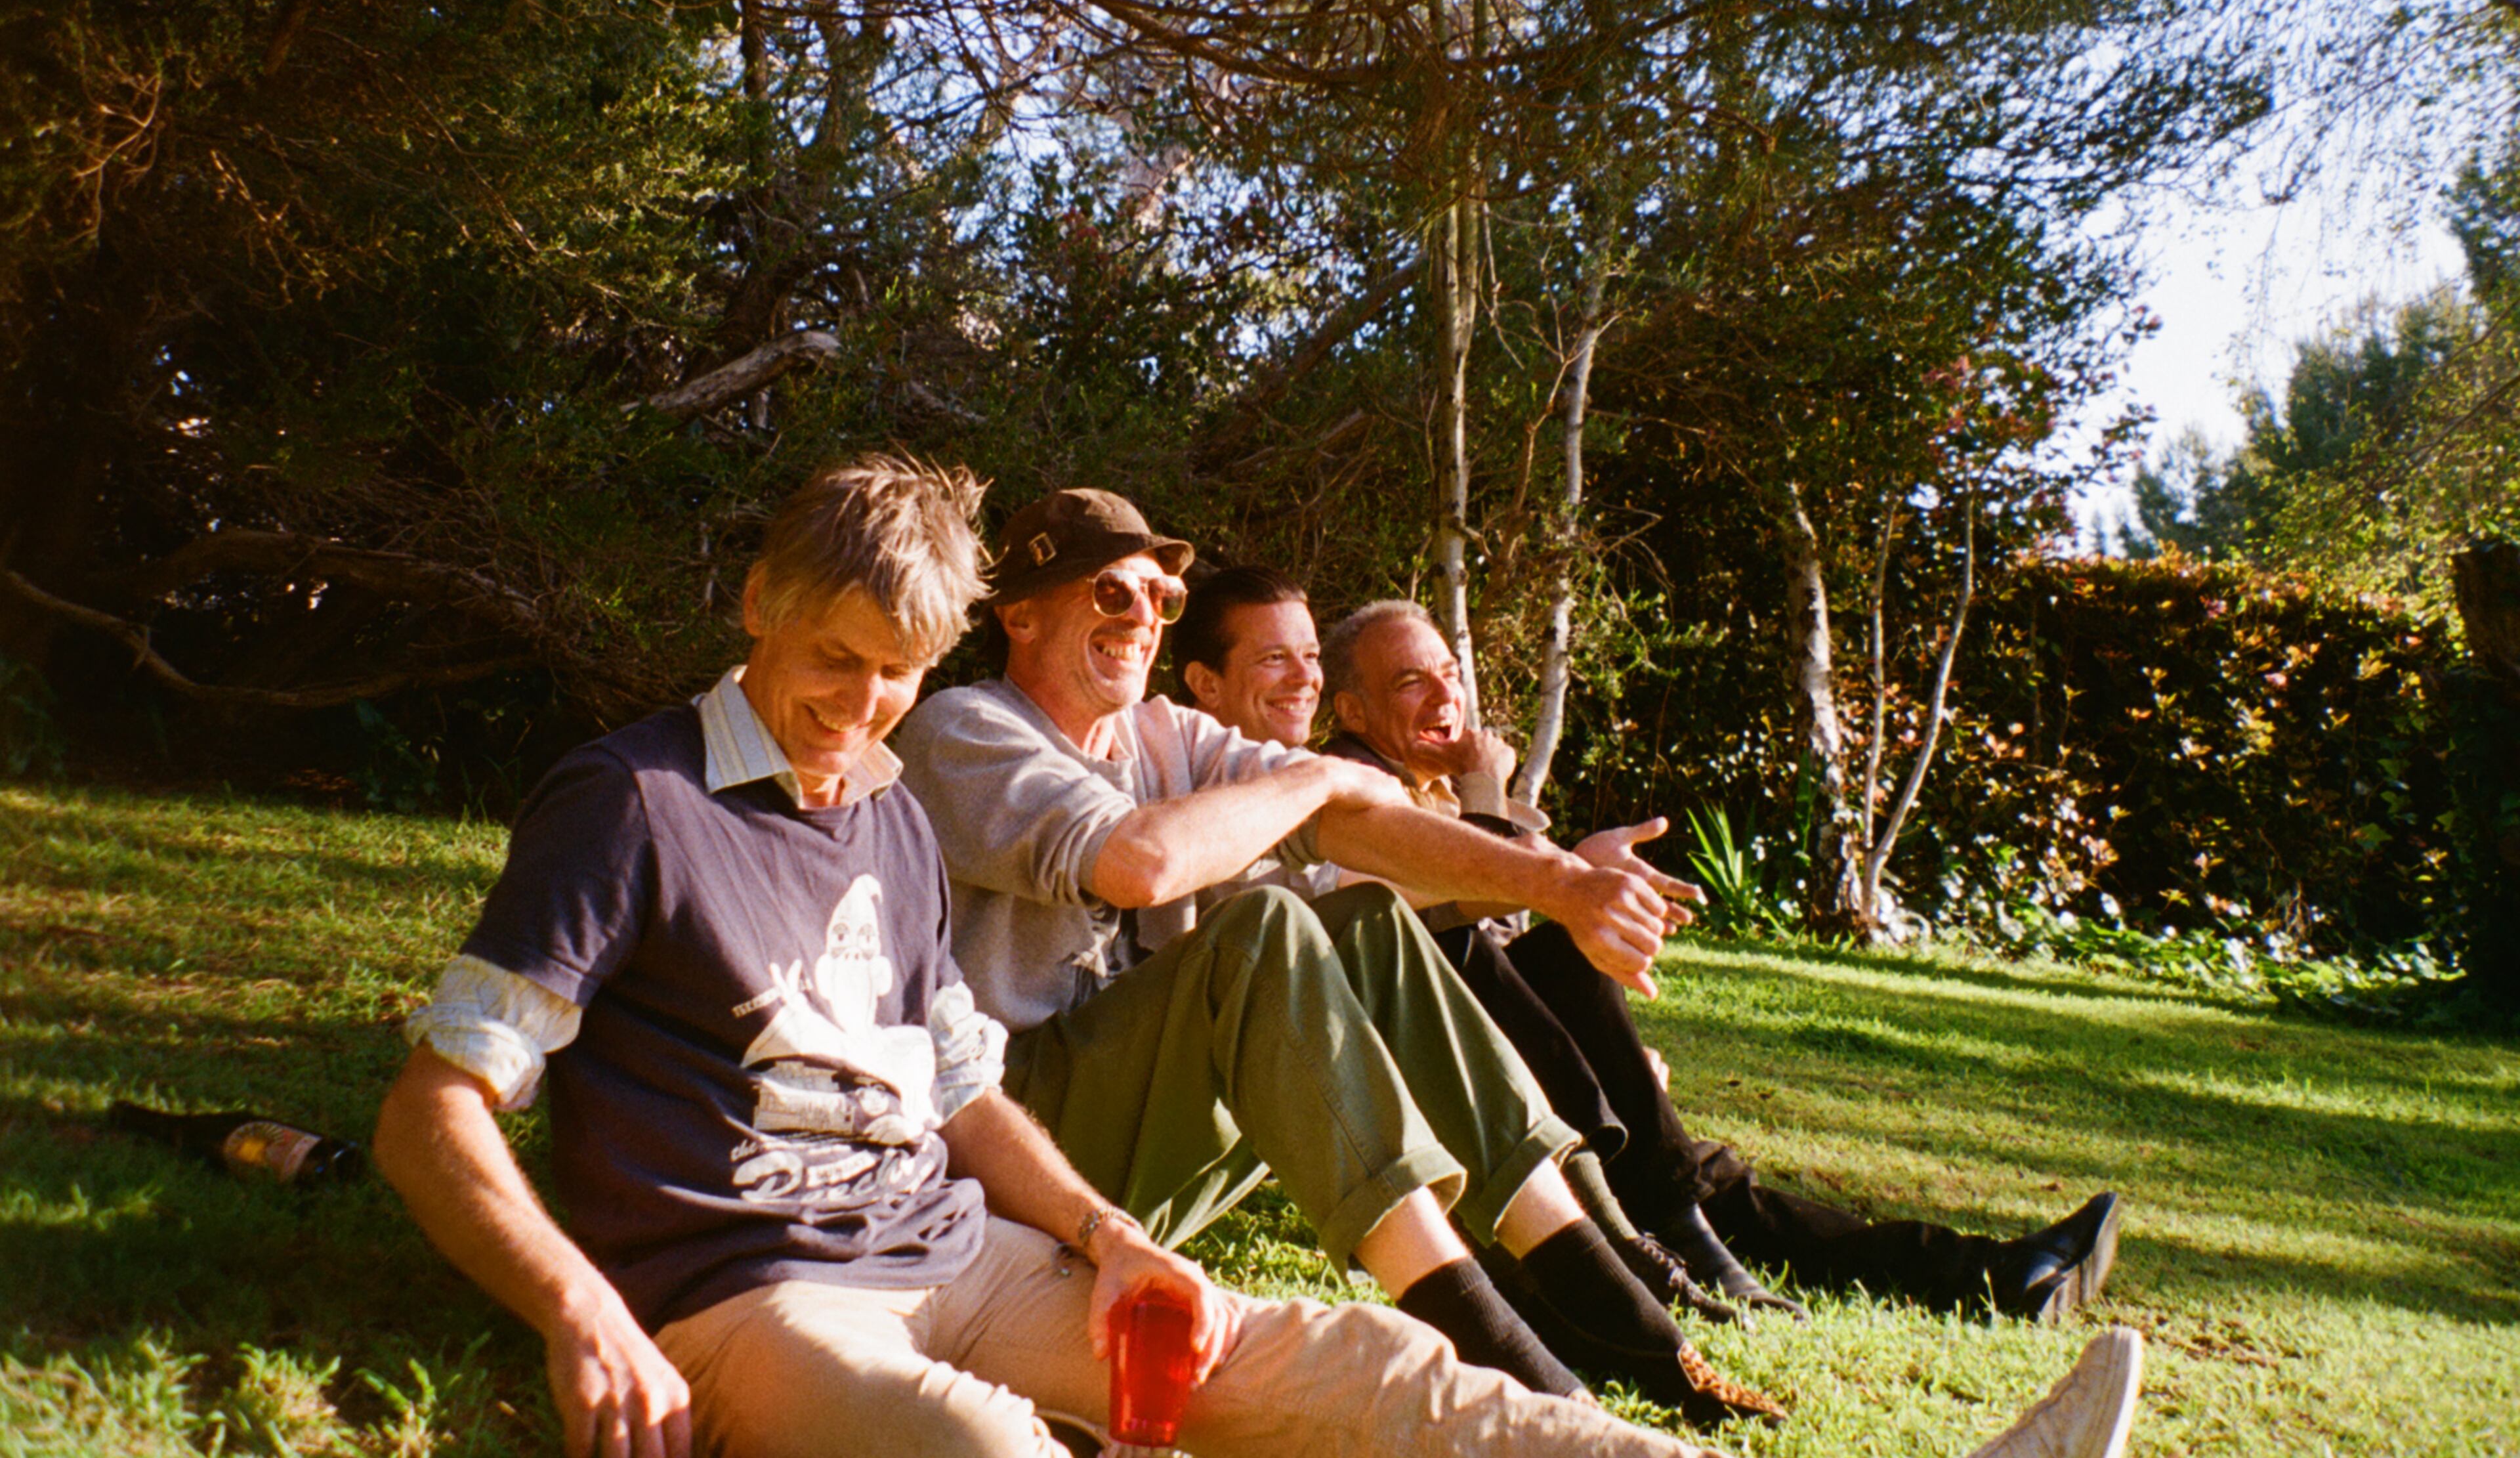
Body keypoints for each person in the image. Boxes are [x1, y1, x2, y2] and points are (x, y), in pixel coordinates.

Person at [369, 457, 1762, 1458]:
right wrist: (580, 1308)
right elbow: (434, 1107)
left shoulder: (893, 813)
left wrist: (1110, 1234)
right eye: (834, 659)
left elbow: (962, 1095)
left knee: (1352, 1365)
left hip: (963, 1243)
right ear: (756, 603)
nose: (860, 711)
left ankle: (1608, 1397)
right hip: (760, 1288)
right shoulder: (638, 802)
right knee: (976, 1446)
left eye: (896, 672)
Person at [1174, 569, 2123, 1327]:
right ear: (1354, 709)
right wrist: (1505, 828)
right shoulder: (1285, 785)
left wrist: (1543, 861)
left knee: (1706, 1180)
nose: (1443, 696)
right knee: (1557, 1006)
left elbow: (1483, 917)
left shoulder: (1377, 784)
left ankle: (1986, 1273)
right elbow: (1382, 918)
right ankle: (1684, 1228)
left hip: (1483, 1066)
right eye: (1408, 681)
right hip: (1379, 1072)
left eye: (1447, 672)